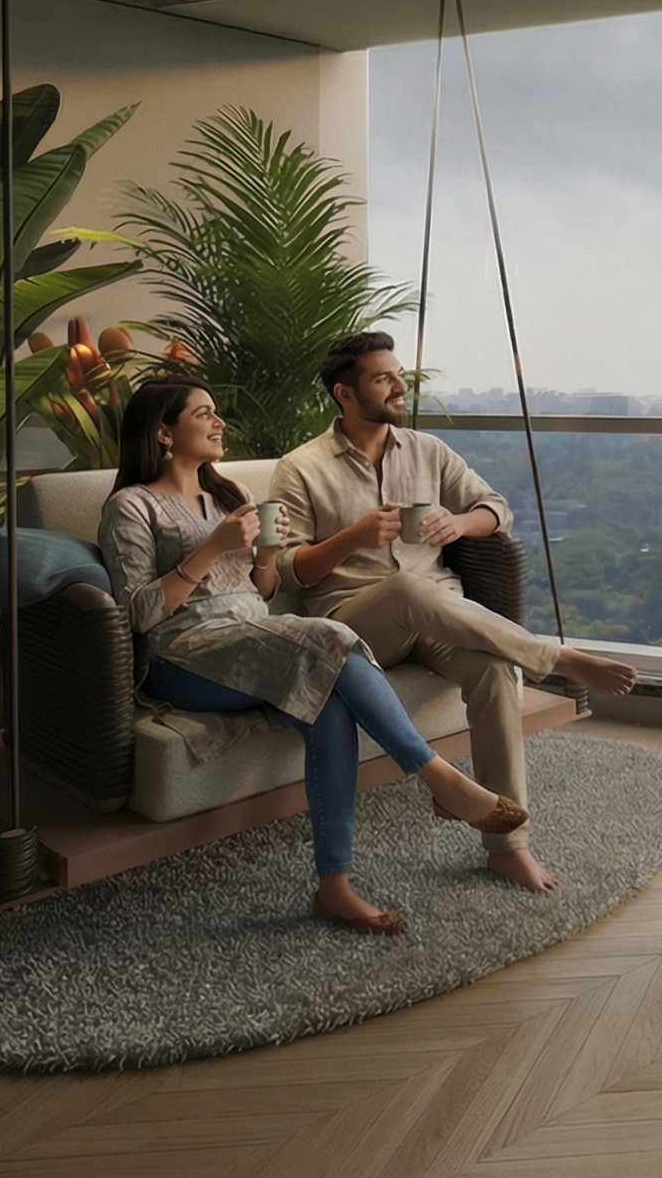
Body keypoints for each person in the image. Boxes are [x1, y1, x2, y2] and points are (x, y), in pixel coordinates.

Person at [98, 377, 527, 935]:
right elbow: (138, 614)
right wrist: (212, 547)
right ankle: (438, 777)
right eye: (204, 414)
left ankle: (334, 888)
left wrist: (265, 556)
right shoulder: (130, 507)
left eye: (216, 411)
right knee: (327, 636)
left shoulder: (230, 494)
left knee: (327, 704)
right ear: (163, 432)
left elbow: (263, 591)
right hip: (181, 655)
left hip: (251, 635)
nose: (219, 422)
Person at [273, 333, 639, 894]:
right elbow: (289, 570)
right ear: (345, 394)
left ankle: (509, 847)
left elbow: (497, 509)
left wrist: (459, 523)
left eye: (398, 374)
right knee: (405, 588)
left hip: (436, 614)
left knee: (494, 671)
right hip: (355, 624)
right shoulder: (301, 468)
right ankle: (555, 657)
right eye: (382, 379)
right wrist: (354, 537)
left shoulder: (428, 451)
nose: (399, 386)